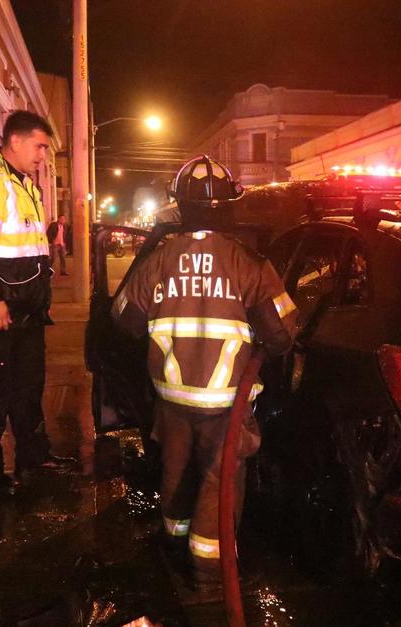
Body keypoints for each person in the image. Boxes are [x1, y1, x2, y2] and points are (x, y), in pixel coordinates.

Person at [112, 155, 297, 588]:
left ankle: (174, 547)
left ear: (180, 205)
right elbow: (283, 335)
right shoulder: (249, 262)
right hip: (226, 404)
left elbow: (124, 321)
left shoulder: (158, 258)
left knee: (175, 474)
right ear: (229, 206)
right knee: (220, 484)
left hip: (172, 400)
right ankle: (211, 575)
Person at [0, 110, 76, 495]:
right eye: (40, 146)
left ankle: (33, 456)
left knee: (29, 389)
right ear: (14, 141)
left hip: (27, 314)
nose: (43, 154)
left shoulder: (26, 186)